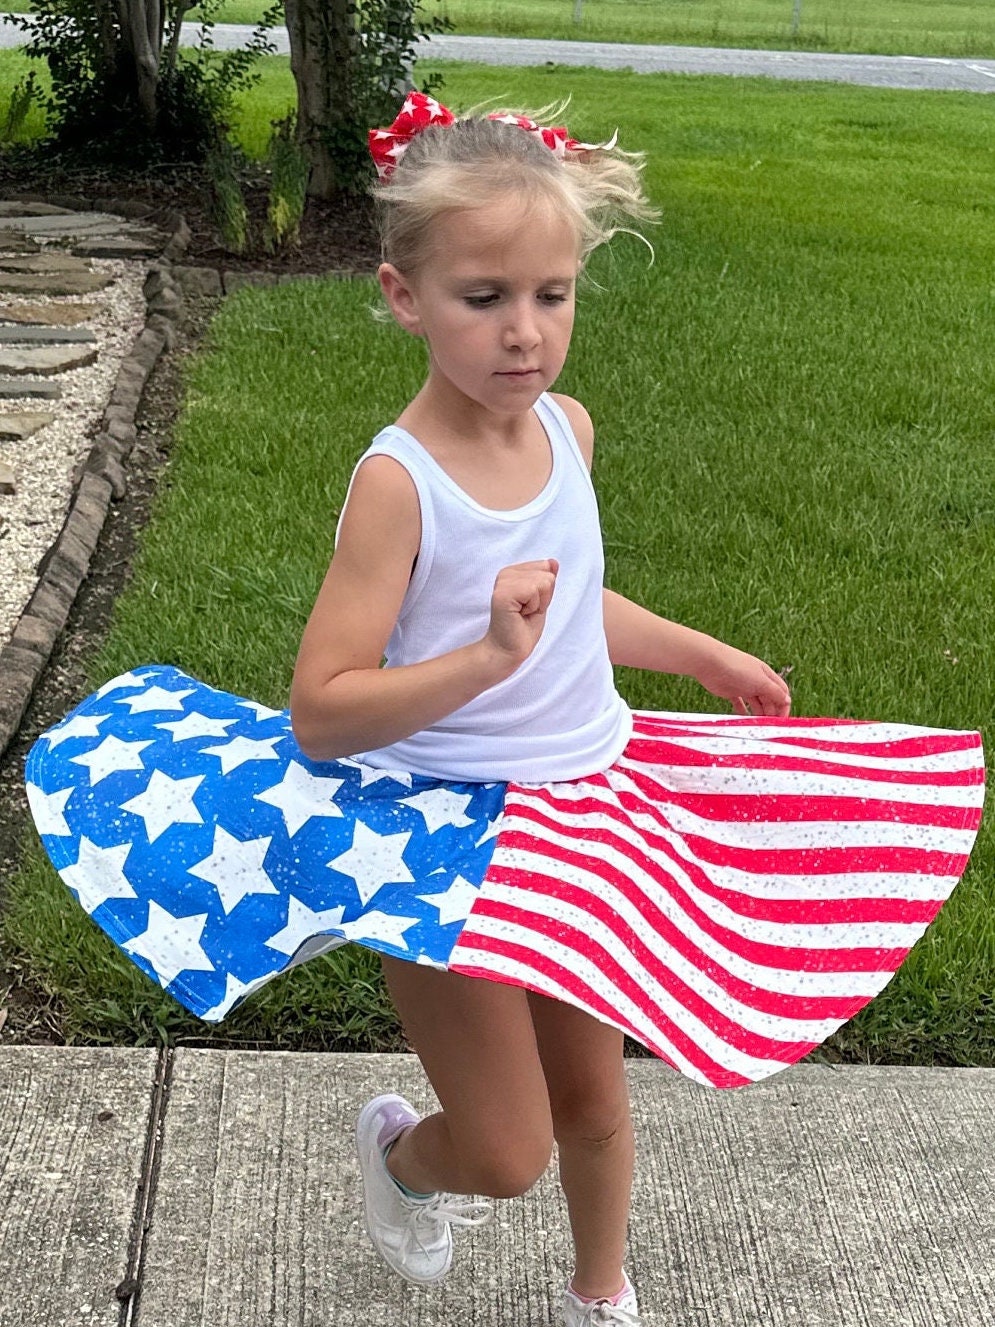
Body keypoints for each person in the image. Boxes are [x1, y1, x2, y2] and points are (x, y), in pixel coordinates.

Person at [23, 93, 984, 1327]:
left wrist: (698, 655)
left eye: (552, 295)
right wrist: (484, 659)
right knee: (504, 1151)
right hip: (435, 838)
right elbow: (323, 709)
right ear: (402, 296)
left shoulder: (564, 432)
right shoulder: (398, 485)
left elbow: (575, 598)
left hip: (584, 808)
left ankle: (601, 1295)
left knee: (594, 1100)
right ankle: (398, 1157)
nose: (524, 334)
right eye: (484, 299)